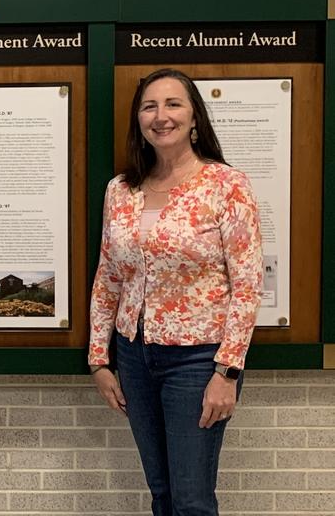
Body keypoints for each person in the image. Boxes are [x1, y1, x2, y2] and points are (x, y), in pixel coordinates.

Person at [89, 68, 262, 516]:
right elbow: (109, 276)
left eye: (173, 104)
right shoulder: (120, 190)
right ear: (139, 120)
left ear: (194, 118)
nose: (160, 115)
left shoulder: (226, 185)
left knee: (192, 499)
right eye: (149, 106)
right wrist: (98, 360)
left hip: (197, 359)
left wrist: (228, 372)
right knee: (162, 493)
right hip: (133, 354)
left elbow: (246, 284)